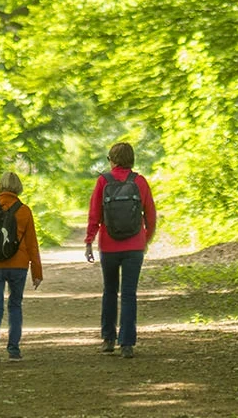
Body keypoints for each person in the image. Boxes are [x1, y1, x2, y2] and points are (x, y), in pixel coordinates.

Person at [85, 142, 156, 359]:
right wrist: (146, 240)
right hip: (134, 246)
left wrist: (89, 241)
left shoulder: (103, 181)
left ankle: (108, 339)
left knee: (110, 291)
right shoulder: (140, 182)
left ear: (112, 159)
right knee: (129, 294)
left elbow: (94, 214)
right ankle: (127, 344)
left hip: (109, 246)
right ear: (131, 159)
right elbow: (151, 215)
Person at [0, 171, 43, 367]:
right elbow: (32, 244)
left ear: (0, 186)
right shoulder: (24, 211)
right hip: (18, 265)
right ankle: (13, 350)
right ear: (18, 188)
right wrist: (37, 273)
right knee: (15, 305)